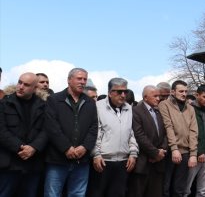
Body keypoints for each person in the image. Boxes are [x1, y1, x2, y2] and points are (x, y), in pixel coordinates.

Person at [44, 68, 98, 197]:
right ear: (69, 80)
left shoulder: (90, 102)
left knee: (78, 194)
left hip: (81, 160)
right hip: (58, 159)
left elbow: (94, 127)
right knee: (53, 194)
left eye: (84, 79)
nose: (82, 82)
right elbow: (52, 127)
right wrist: (66, 148)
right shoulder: (54, 99)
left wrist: (84, 147)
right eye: (79, 78)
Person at [0, 72, 48, 197]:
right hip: (9, 164)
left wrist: (33, 148)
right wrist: (21, 147)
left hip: (33, 164)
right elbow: (1, 131)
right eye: (19, 82)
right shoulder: (4, 103)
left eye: (26, 85)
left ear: (34, 88)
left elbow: (47, 130)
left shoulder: (44, 106)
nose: (21, 87)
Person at [89, 78, 138, 197]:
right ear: (110, 93)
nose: (123, 95)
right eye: (119, 91)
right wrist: (96, 154)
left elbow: (131, 133)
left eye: (125, 92)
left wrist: (133, 153)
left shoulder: (129, 109)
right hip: (103, 161)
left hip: (123, 162)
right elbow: (95, 133)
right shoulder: (98, 107)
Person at [160, 80, 198, 197]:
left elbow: (194, 131)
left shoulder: (190, 108)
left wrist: (193, 154)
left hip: (186, 152)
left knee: (179, 188)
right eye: (181, 91)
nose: (184, 94)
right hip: (170, 151)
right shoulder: (164, 105)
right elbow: (168, 126)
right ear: (172, 92)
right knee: (165, 187)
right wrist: (174, 148)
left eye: (186, 91)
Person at [128, 85, 168, 197]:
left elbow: (165, 134)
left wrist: (162, 151)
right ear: (145, 97)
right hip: (143, 162)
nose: (158, 98)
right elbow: (139, 135)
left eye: (158, 96)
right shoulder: (136, 111)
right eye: (155, 96)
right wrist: (155, 153)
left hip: (158, 164)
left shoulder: (158, 112)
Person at [185, 84, 205, 197]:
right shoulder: (189, 109)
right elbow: (190, 133)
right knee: (185, 188)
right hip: (193, 154)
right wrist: (199, 151)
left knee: (203, 190)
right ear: (197, 95)